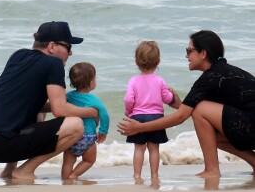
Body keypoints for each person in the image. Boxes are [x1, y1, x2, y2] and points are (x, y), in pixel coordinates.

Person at [118, 30, 255, 178]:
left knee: (200, 109)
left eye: (189, 51)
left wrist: (140, 127)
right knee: (210, 134)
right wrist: (180, 105)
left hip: (251, 124)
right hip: (250, 123)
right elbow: (195, 112)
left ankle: (212, 170)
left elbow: (181, 117)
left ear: (203, 53)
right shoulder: (222, 72)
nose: (186, 55)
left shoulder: (211, 77)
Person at [0, 21, 97, 180]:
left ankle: (9, 170)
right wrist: (91, 111)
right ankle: (25, 170)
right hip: (0, 143)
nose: (70, 53)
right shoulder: (54, 64)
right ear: (52, 46)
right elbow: (59, 109)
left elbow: (26, 102)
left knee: (37, 111)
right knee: (76, 125)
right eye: (68, 47)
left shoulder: (18, 55)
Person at [124, 41, 174, 182]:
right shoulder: (159, 80)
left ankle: (137, 175)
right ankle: (154, 176)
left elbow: (128, 99)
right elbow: (167, 98)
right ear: (158, 61)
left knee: (139, 149)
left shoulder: (133, 80)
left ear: (136, 61)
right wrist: (172, 95)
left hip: (137, 117)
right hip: (156, 118)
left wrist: (129, 112)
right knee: (154, 149)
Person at [61, 62, 110, 179]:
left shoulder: (68, 96)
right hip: (88, 137)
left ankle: (66, 178)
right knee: (89, 160)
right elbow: (104, 115)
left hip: (71, 136)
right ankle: (74, 175)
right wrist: (103, 131)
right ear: (92, 82)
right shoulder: (94, 99)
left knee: (68, 162)